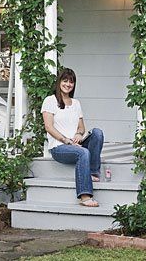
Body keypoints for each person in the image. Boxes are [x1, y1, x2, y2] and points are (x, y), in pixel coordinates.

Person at [41, 68, 104, 207]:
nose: (68, 84)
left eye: (71, 82)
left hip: (76, 143)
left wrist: (78, 134)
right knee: (83, 152)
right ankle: (85, 196)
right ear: (59, 82)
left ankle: (93, 173)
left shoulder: (76, 103)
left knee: (97, 133)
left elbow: (81, 127)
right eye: (65, 80)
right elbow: (49, 127)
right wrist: (66, 140)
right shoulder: (50, 100)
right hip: (60, 147)